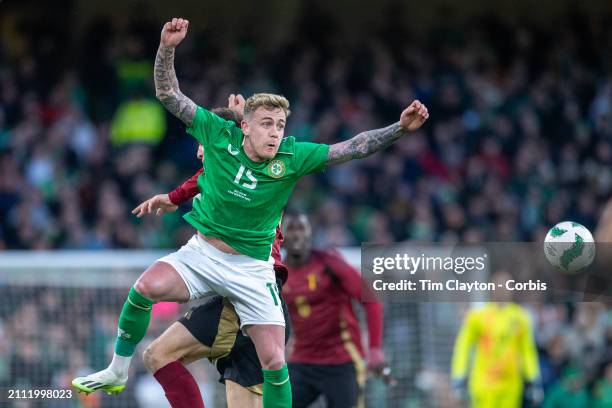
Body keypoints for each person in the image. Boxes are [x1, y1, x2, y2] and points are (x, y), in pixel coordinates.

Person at [74, 17, 429, 408]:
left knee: (275, 361)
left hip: (253, 270)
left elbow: (355, 146)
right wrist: (167, 47)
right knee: (144, 289)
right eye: (266, 124)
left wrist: (399, 128)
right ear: (244, 127)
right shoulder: (217, 137)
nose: (275, 132)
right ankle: (116, 370)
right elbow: (169, 94)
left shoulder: (293, 157)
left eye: (280, 125)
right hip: (202, 255)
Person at [134, 105, 287, 408]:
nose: (199, 153)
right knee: (156, 355)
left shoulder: (246, 180)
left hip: (247, 305)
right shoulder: (231, 177)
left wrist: (249, 126)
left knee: (158, 354)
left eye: (204, 143)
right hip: (238, 303)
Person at [282, 212, 385, 408]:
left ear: (310, 234)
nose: (296, 234)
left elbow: (372, 300)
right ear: (282, 236)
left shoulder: (330, 264)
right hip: (302, 361)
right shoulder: (279, 273)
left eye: (301, 228)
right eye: (291, 229)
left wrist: (375, 348)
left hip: (342, 362)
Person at [451, 271, 542, 408]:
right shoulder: (478, 316)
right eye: (498, 286)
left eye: (506, 286)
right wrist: (459, 375)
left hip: (510, 385)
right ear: (492, 288)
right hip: (484, 384)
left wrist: (534, 379)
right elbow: (463, 346)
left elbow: (527, 351)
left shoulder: (520, 317)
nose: (502, 289)